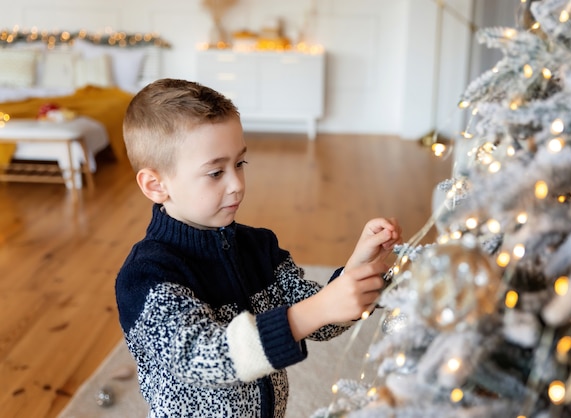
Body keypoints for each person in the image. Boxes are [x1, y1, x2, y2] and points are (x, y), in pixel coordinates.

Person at [115, 78, 402, 417]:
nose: (237, 185)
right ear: (156, 185)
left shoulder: (259, 246)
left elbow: (319, 321)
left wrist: (355, 270)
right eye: (215, 173)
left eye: (240, 164)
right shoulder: (146, 276)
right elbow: (208, 357)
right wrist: (318, 308)